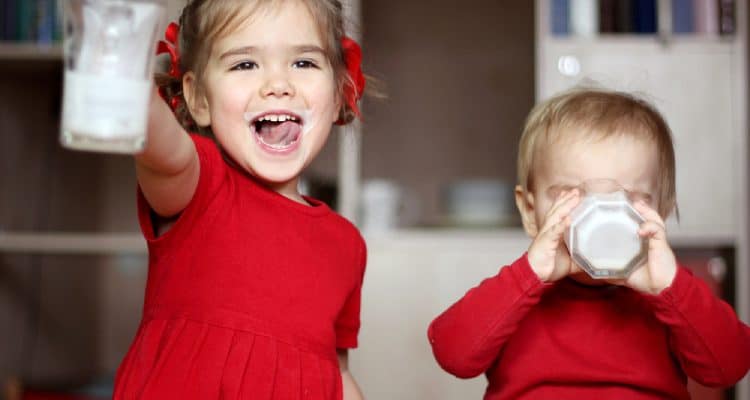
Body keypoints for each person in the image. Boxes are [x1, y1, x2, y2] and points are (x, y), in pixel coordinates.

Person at [113, 1, 368, 398]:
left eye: (304, 63)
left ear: (339, 93)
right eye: (245, 64)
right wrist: (130, 83)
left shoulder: (347, 244)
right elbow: (161, 148)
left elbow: (336, 369)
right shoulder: (200, 185)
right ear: (197, 97)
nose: (278, 84)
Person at [427, 88, 750, 399]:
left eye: (629, 198)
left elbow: (731, 367)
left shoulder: (669, 296)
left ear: (660, 213)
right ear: (530, 211)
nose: (602, 213)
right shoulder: (515, 293)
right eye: (572, 194)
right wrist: (528, 274)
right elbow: (452, 354)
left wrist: (670, 288)